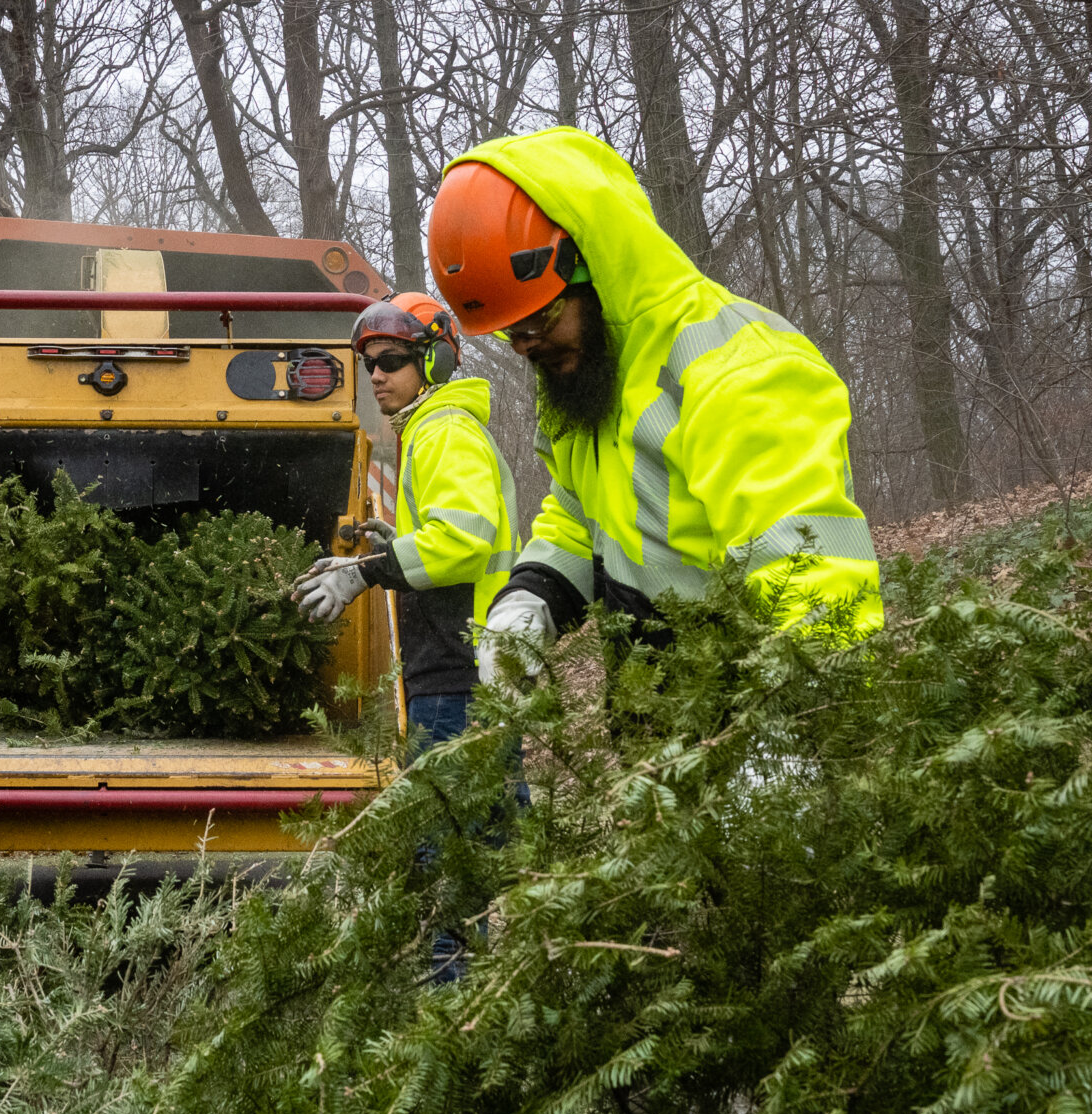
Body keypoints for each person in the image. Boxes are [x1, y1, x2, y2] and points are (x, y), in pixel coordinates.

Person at [423, 127, 880, 689]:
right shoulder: (593, 377)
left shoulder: (735, 368)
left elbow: (814, 568)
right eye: (506, 332)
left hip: (748, 714)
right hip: (660, 724)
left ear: (595, 269)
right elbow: (578, 514)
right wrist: (529, 599)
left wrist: (796, 726)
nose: (523, 346)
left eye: (536, 320)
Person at [292, 292, 520, 748]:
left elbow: (462, 544)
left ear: (432, 362)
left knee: (452, 818)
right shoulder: (429, 430)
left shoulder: (445, 431)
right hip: (462, 671)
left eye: (391, 360)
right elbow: (455, 535)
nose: (376, 375)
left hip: (459, 675)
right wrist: (401, 544)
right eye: (369, 364)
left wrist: (364, 571)